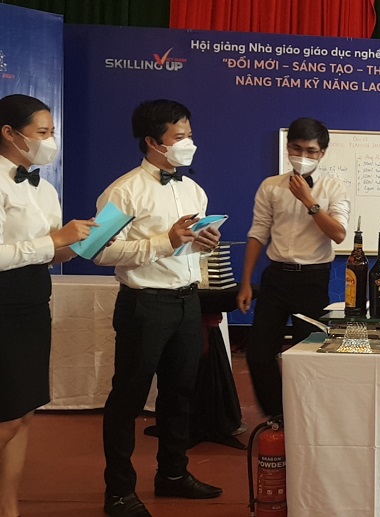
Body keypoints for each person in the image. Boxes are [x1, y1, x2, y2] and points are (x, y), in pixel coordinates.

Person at [93, 99, 222, 517]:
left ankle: (173, 474)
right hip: (144, 304)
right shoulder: (124, 191)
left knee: (180, 395)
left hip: (187, 301)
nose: (189, 144)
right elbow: (97, 251)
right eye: (179, 137)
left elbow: (190, 248)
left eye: (190, 135)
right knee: (128, 399)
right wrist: (164, 241)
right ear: (153, 142)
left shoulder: (193, 190)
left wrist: (204, 243)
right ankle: (119, 491)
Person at [0, 94, 96, 517]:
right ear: (9, 133)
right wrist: (53, 240)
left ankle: (9, 507)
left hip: (34, 301)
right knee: (5, 416)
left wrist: (80, 243)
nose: (50, 141)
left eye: (52, 132)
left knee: (23, 413)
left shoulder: (46, 187)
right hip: (2, 303)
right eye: (42, 132)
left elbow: (53, 252)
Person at [236, 117, 350, 418]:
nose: (303, 156)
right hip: (275, 277)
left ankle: (305, 418)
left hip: (313, 279)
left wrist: (309, 201)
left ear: (322, 153)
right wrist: (246, 282)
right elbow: (258, 233)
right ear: (288, 149)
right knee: (259, 354)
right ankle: (278, 416)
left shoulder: (334, 187)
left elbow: (338, 234)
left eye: (311, 151)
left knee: (307, 356)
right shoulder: (271, 186)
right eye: (297, 149)